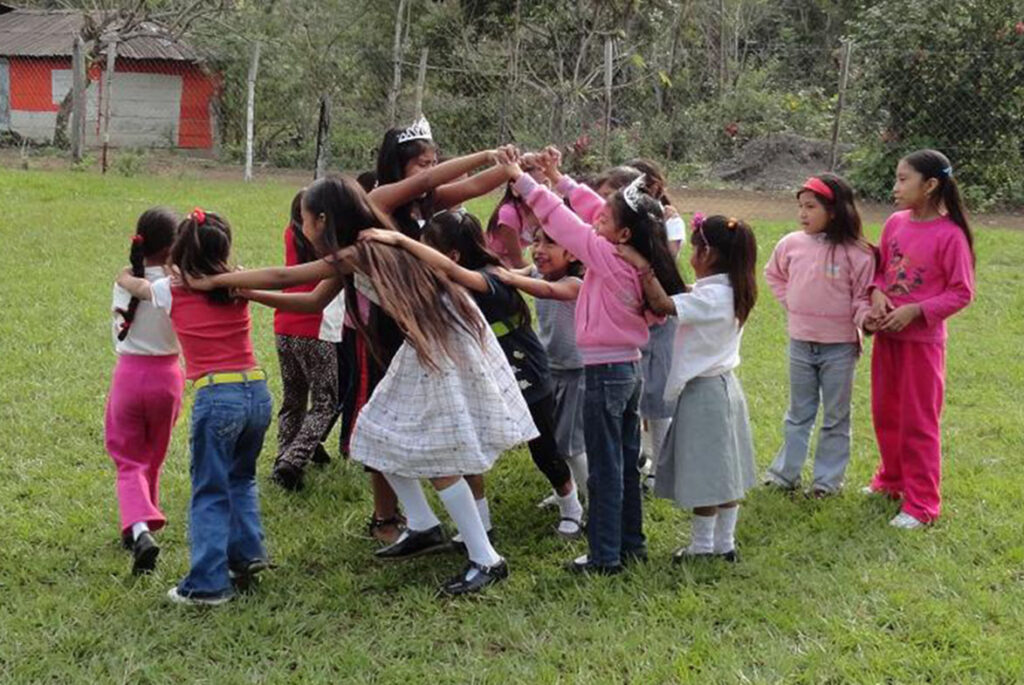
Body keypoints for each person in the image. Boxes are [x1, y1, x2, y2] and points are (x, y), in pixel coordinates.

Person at [509, 150, 684, 574]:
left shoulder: (608, 257)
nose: (595, 217)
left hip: (604, 375)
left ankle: (605, 555)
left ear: (622, 232)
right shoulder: (629, 251)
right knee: (622, 462)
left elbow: (565, 223)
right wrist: (561, 179)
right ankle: (630, 544)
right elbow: (592, 210)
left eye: (605, 217)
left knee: (604, 469)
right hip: (627, 371)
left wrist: (523, 180)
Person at [375, 210, 585, 540]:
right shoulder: (449, 284)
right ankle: (482, 521)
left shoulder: (490, 279)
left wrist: (401, 240)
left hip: (525, 374)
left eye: (426, 247)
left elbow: (451, 270)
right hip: (481, 378)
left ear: (454, 255)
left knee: (544, 449)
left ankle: (571, 507)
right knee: (468, 446)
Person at [117, 209, 273, 606]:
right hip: (257, 390)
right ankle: (247, 555)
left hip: (217, 398)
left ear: (178, 254)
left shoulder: (174, 290)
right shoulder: (237, 283)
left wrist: (124, 274)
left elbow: (135, 285)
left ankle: (206, 584)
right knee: (242, 479)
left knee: (209, 491)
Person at [619, 213, 758, 563]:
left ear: (708, 254)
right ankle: (723, 544)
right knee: (725, 472)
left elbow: (664, 304)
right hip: (724, 389)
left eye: (694, 248)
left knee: (706, 474)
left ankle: (702, 547)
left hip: (705, 393)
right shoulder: (729, 290)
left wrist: (642, 267)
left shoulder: (712, 298)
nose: (690, 255)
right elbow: (681, 293)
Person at [862, 149, 975, 529]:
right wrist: (877, 295)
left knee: (918, 422)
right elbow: (881, 271)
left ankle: (922, 504)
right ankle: (891, 481)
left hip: (922, 347)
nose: (895, 187)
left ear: (930, 185)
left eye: (903, 179)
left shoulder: (951, 235)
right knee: (886, 414)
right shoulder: (895, 223)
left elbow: (962, 292)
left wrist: (915, 311)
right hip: (887, 341)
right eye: (896, 178)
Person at [762, 174, 876, 497]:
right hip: (800, 343)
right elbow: (774, 275)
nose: (803, 213)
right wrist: (793, 303)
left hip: (839, 348)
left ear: (835, 210)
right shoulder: (790, 244)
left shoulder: (859, 253)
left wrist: (867, 318)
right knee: (798, 413)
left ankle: (827, 483)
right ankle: (784, 475)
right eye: (800, 206)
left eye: (811, 207)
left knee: (836, 417)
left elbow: (861, 298)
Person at [105, 208, 182, 576]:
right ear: (172, 247)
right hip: (168, 378)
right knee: (153, 455)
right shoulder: (179, 287)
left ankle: (138, 528)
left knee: (127, 458)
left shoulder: (124, 280)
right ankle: (143, 518)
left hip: (129, 377)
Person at [496, 230, 589, 506]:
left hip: (577, 373)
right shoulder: (537, 273)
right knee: (556, 439)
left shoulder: (575, 283)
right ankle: (570, 492)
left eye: (550, 242)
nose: (539, 249)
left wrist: (512, 278)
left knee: (571, 445)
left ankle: (597, 504)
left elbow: (548, 291)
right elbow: (517, 272)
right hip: (551, 370)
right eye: (536, 241)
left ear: (571, 253)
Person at [270, 191, 344, 491]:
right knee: (325, 402)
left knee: (293, 399)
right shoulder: (330, 245)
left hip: (285, 324)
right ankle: (294, 459)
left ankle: (282, 454)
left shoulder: (292, 232)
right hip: (317, 328)